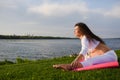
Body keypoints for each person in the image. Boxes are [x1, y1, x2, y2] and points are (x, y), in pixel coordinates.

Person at [53, 22, 118, 71]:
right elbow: (87, 53)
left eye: (76, 29)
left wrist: (76, 60)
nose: (74, 31)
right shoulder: (88, 38)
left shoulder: (85, 37)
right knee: (86, 58)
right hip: (111, 56)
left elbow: (84, 49)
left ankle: (70, 66)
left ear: (82, 30)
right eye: (74, 30)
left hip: (110, 56)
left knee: (89, 60)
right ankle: (71, 65)